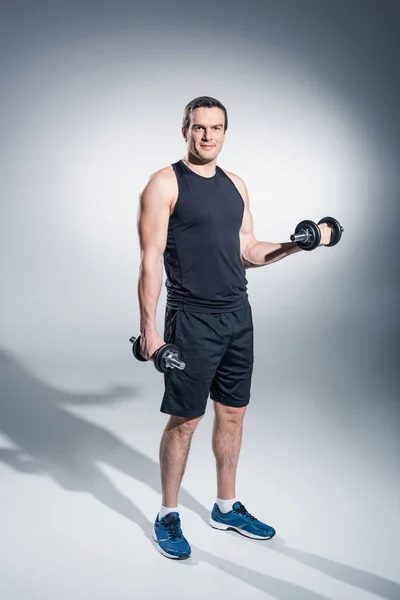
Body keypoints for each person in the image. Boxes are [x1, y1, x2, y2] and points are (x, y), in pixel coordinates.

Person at [137, 96, 331, 560]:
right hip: (191, 317)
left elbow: (248, 250)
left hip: (237, 316)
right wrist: (150, 332)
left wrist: (298, 244)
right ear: (184, 130)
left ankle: (226, 506)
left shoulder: (236, 185)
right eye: (199, 128)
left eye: (216, 128)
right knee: (185, 421)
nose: (208, 136)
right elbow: (149, 263)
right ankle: (167, 514)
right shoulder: (164, 184)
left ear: (226, 133)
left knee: (232, 414)